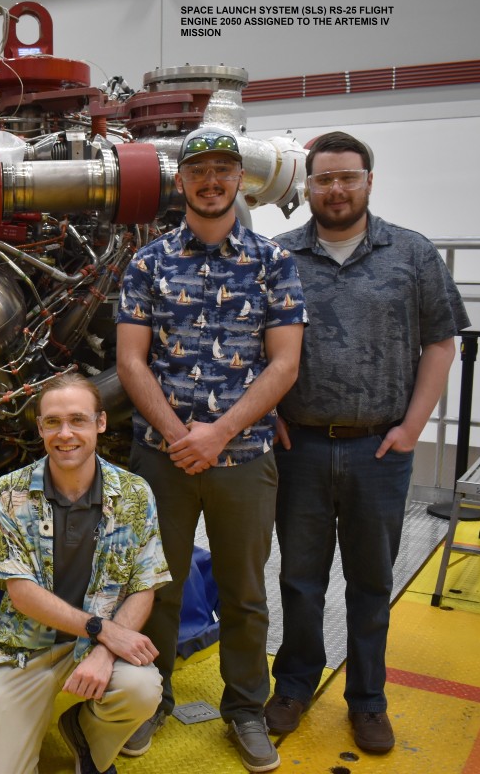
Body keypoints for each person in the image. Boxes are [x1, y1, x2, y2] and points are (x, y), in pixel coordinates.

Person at [264, 132, 468, 754]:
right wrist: (264, 411)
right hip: (297, 446)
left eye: (347, 177)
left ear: (368, 181)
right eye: (323, 179)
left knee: (371, 581)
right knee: (299, 579)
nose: (335, 189)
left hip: (379, 450)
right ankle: (294, 685)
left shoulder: (412, 254)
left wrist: (413, 427)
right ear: (307, 186)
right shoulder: (279, 256)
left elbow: (441, 341)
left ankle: (368, 700)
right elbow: (249, 341)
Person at [116, 129, 305, 772]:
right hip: (161, 457)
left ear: (241, 181)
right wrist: (178, 435)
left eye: (225, 169)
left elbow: (284, 365)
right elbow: (131, 361)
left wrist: (218, 433)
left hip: (244, 457)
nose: (212, 180)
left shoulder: (273, 263)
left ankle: (246, 709)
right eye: (199, 170)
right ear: (181, 182)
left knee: (244, 590)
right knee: (155, 586)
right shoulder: (147, 263)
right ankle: (151, 697)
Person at [0, 373, 169, 774]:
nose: (65, 434)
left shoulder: (134, 493)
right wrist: (103, 630)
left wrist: (104, 649)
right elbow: (21, 592)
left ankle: (85, 735)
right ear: (40, 427)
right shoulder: (11, 492)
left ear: (100, 423)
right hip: (28, 651)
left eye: (77, 420)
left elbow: (144, 586)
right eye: (53, 422)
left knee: (143, 688)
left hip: (98, 648)